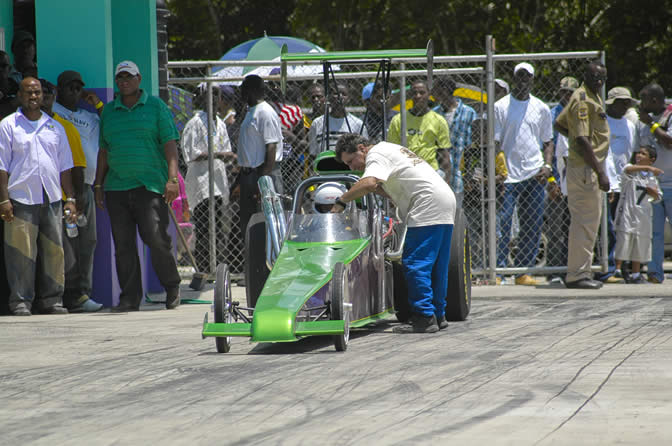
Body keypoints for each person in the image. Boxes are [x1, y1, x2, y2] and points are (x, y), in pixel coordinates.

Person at [334, 133, 456, 333]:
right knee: (436, 265)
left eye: (350, 161)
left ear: (362, 148)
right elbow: (385, 187)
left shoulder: (375, 154)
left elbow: (369, 183)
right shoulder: (389, 149)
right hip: (443, 198)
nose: (351, 168)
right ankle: (438, 314)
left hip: (427, 203)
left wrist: (341, 201)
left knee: (415, 263)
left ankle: (424, 317)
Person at [94, 60, 182, 311]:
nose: (124, 81)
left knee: (155, 238)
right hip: (116, 188)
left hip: (150, 186)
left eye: (128, 77)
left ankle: (172, 285)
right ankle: (130, 297)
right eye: (120, 77)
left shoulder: (155, 106)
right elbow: (104, 150)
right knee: (123, 245)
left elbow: (170, 144)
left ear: (139, 78)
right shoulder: (109, 111)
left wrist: (173, 179)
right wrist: (98, 185)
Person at [0, 77, 77, 315]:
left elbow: (65, 167)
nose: (33, 97)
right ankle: (21, 301)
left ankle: (52, 300)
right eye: (28, 93)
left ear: (42, 96)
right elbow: (1, 166)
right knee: (20, 253)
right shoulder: (8, 125)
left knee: (55, 251)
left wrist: (71, 199)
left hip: (52, 198)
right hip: (21, 198)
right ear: (20, 96)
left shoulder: (55, 127)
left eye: (37, 93)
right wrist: (4, 199)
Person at [494, 62, 554, 286]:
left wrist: (547, 167)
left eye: (527, 77)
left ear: (532, 80)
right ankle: (499, 272)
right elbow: (495, 143)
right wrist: (498, 173)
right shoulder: (500, 106)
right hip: (508, 176)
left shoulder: (541, 108)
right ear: (513, 79)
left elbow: (548, 142)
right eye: (519, 76)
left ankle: (522, 272)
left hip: (534, 173)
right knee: (503, 225)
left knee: (532, 224)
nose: (522, 81)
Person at [52, 70, 106, 311]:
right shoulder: (53, 111)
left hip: (88, 185)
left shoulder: (90, 116)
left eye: (77, 88)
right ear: (59, 90)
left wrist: (97, 102)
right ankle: (70, 294)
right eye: (69, 87)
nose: (73, 92)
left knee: (88, 240)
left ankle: (83, 293)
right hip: (66, 187)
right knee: (67, 240)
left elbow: (112, 123)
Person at [554, 60, 610, 289]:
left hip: (587, 166)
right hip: (587, 168)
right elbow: (582, 138)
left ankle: (581, 271)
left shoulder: (589, 95)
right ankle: (577, 275)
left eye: (602, 78)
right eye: (594, 76)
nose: (598, 81)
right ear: (585, 76)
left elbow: (560, 124)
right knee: (585, 224)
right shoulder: (583, 100)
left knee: (587, 223)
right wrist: (599, 170)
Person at [181, 86, 236, 274]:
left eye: (216, 95)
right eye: (209, 95)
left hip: (218, 183)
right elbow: (191, 153)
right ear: (202, 99)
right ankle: (204, 268)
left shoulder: (220, 123)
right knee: (204, 227)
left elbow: (226, 148)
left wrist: (228, 157)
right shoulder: (195, 123)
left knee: (219, 228)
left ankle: (218, 268)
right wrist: (220, 154)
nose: (213, 99)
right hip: (202, 183)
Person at [598, 87, 639, 283]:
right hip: (605, 182)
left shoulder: (629, 126)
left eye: (627, 102)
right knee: (606, 227)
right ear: (611, 103)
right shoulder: (602, 122)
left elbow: (628, 154)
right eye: (622, 102)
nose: (625, 106)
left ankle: (617, 268)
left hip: (623, 183)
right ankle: (606, 268)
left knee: (621, 227)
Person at [237, 74, 284, 242]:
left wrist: (263, 180)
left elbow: (271, 147)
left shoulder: (265, 112)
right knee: (250, 224)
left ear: (253, 91)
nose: (241, 93)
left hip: (264, 173)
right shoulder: (251, 112)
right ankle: (254, 264)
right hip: (249, 175)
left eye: (244, 89)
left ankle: (268, 265)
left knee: (266, 223)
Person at [636, 83, 672, 283]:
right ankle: (655, 273)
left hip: (671, 183)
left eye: (644, 100)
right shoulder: (642, 123)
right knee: (655, 232)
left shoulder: (670, 115)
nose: (641, 104)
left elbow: (669, 141)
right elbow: (639, 152)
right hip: (653, 185)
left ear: (655, 101)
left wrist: (652, 124)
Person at [545, 76, 579, 284]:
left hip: (575, 180)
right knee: (555, 228)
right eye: (563, 92)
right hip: (557, 179)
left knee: (572, 227)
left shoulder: (579, 113)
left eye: (569, 92)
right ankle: (554, 270)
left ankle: (571, 268)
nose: (566, 96)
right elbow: (548, 147)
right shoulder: (553, 114)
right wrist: (551, 179)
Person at [613, 146, 662, 284]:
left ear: (651, 160)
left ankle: (635, 274)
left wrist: (652, 191)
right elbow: (627, 170)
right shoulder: (631, 169)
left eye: (643, 154)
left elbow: (657, 196)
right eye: (638, 153)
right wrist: (647, 168)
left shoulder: (651, 177)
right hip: (628, 211)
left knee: (639, 244)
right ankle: (617, 272)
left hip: (643, 214)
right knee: (623, 241)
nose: (639, 155)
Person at [387, 80, 452, 173]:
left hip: (430, 171)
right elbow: (392, 150)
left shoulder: (439, 120)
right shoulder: (398, 120)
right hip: (407, 171)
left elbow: (444, 153)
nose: (418, 96)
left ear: (429, 94)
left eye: (422, 93)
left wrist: (447, 182)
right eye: (414, 93)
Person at [432, 77, 477, 205]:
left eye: (437, 91)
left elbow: (474, 143)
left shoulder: (468, 113)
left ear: (446, 90)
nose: (434, 94)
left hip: (461, 170)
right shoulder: (434, 114)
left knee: (458, 212)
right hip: (440, 170)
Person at [308, 84, 365, 157]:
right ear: (328, 97)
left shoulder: (358, 124)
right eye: (336, 94)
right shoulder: (317, 123)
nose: (340, 97)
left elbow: (363, 151)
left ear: (349, 99)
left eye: (344, 94)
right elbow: (313, 153)